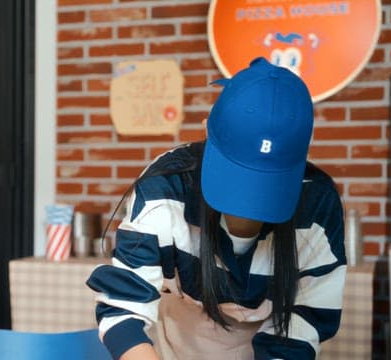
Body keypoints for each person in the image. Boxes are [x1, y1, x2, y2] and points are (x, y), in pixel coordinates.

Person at [86, 57, 346, 360]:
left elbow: (307, 318)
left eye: (266, 185)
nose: (248, 211)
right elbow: (122, 306)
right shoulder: (165, 188)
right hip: (178, 344)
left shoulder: (316, 203)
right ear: (207, 131)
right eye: (237, 178)